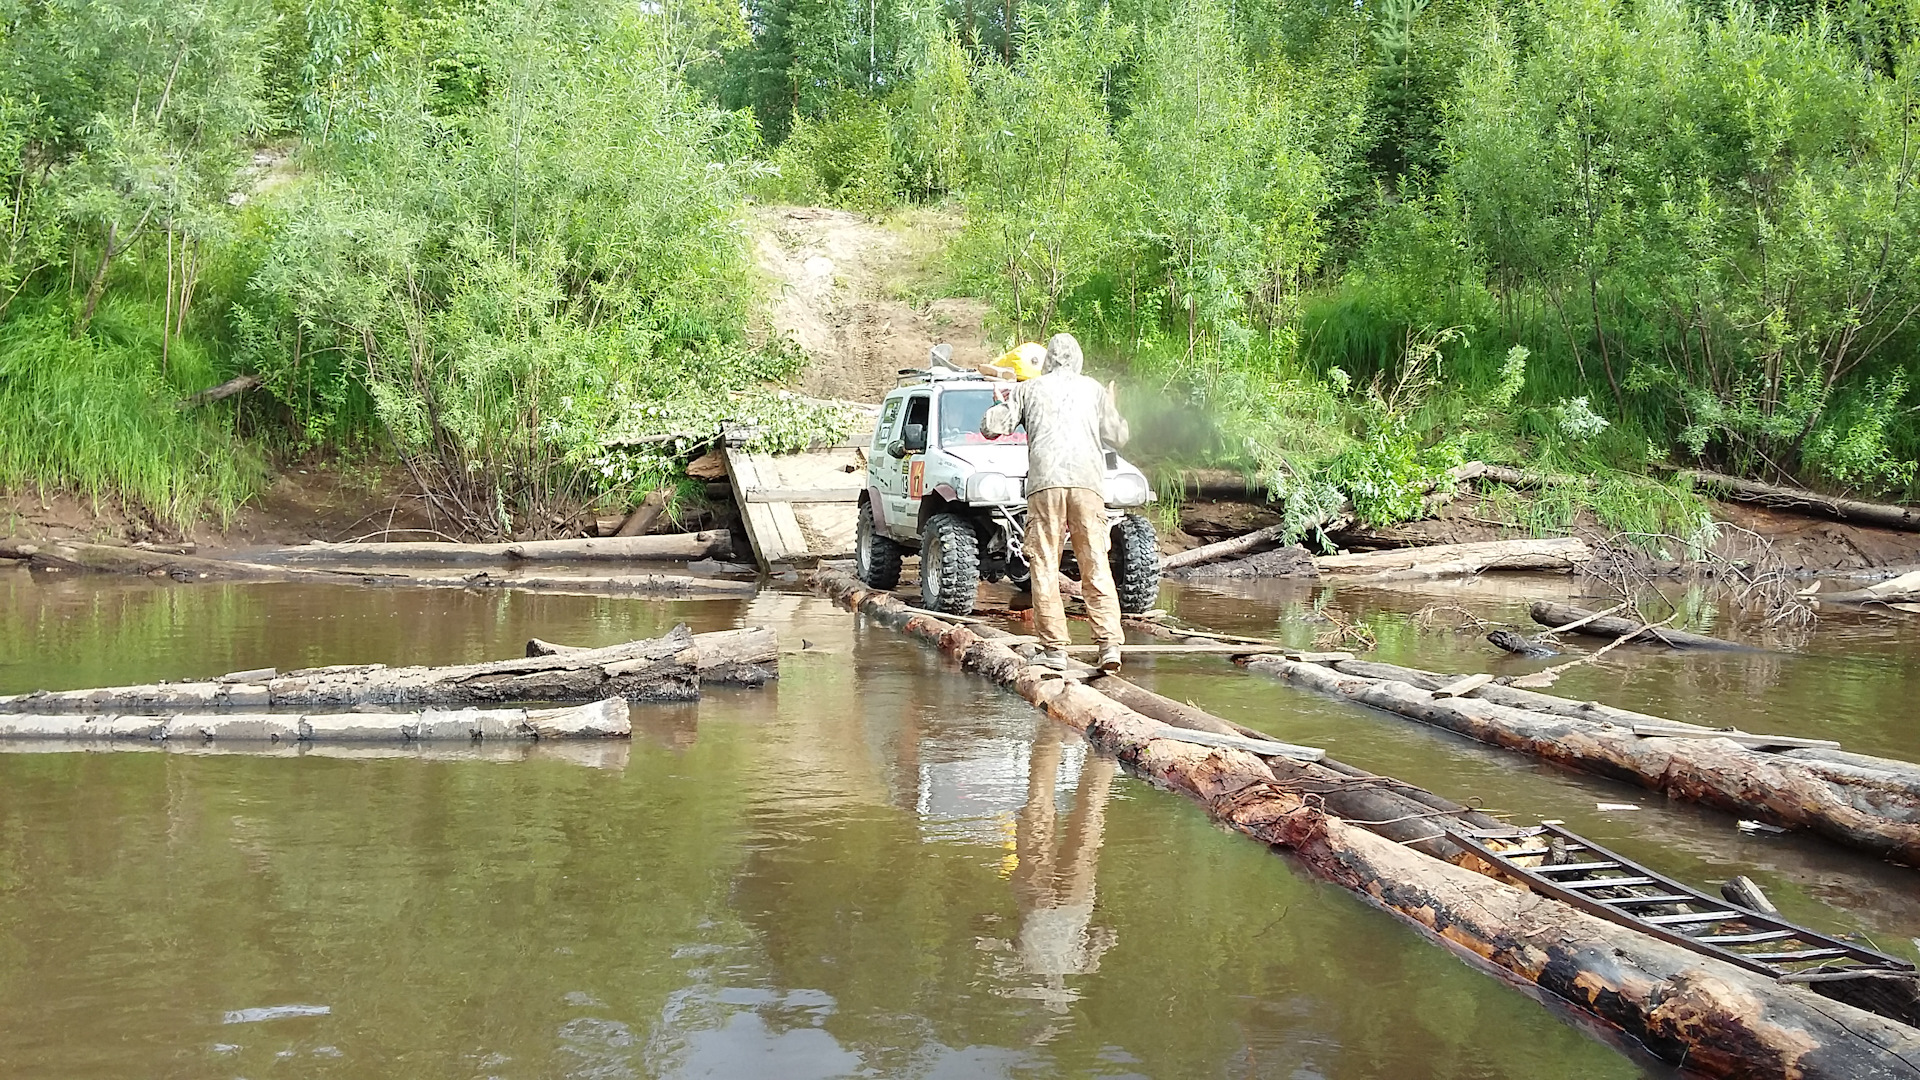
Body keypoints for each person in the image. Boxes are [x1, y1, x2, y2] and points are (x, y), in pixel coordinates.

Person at [981, 332, 1128, 672]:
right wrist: (1113, 405)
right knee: (1094, 561)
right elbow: (1119, 436)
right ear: (1078, 360)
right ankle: (1109, 646)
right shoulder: (1093, 390)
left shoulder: (1027, 389)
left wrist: (999, 400)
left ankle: (1056, 651)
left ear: (1047, 361)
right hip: (1089, 485)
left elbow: (992, 428)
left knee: (1044, 564)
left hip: (1045, 485)